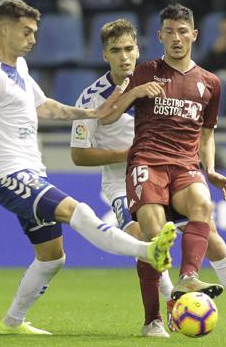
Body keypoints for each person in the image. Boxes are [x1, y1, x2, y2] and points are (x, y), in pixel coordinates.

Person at [0, 0, 176, 336]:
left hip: (33, 172)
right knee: (78, 211)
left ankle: (12, 323)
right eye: (26, 31)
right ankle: (147, 250)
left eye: (35, 32)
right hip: (12, 175)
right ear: (5, 29)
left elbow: (46, 107)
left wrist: (92, 114)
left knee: (52, 257)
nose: (33, 39)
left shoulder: (20, 69)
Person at [106, 3, 226, 333]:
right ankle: (153, 319)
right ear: (160, 36)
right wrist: (136, 92)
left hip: (185, 166)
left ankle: (189, 279)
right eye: (169, 32)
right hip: (149, 163)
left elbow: (207, 134)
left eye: (182, 31)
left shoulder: (210, 83)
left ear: (194, 35)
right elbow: (108, 115)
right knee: (153, 236)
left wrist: (210, 169)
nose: (176, 38)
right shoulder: (145, 72)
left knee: (204, 206)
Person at [70, 19, 175, 338]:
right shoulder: (90, 99)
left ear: (138, 49)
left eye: (129, 49)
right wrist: (129, 154)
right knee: (145, 235)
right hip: (122, 184)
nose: (124, 56)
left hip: (165, 174)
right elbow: (79, 154)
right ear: (105, 55)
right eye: (116, 51)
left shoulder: (161, 83)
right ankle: (157, 316)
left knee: (197, 228)